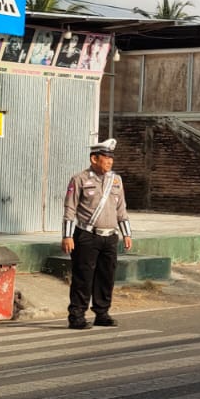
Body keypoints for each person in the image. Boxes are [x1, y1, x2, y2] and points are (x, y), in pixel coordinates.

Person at [61, 137, 132, 329]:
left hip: (109, 236)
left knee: (106, 276)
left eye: (111, 158)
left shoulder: (116, 180)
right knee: (83, 276)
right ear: (94, 159)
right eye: (105, 157)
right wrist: (67, 236)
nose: (109, 161)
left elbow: (121, 209)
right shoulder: (80, 179)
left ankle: (102, 312)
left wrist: (127, 234)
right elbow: (70, 208)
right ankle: (77, 315)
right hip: (86, 235)